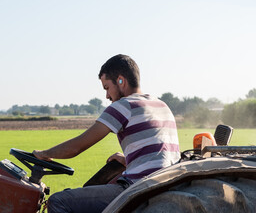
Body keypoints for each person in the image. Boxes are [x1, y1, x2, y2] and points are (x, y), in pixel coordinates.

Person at [33, 54, 180, 213]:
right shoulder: (161, 105)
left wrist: (44, 153)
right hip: (166, 182)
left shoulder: (124, 106)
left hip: (138, 187)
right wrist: (128, 159)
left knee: (58, 201)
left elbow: (77, 147)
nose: (107, 96)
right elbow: (159, 152)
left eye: (107, 88)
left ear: (121, 81)